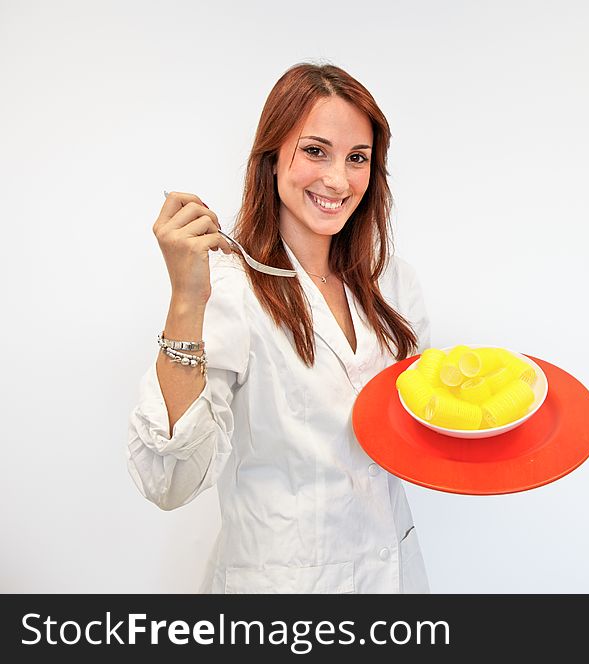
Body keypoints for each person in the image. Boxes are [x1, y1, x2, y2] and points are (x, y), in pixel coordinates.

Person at [126, 63, 431, 594]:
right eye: (315, 151)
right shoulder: (229, 288)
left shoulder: (391, 284)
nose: (338, 180)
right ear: (270, 158)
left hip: (393, 579)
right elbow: (169, 481)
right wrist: (186, 299)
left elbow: (415, 430)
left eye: (357, 158)